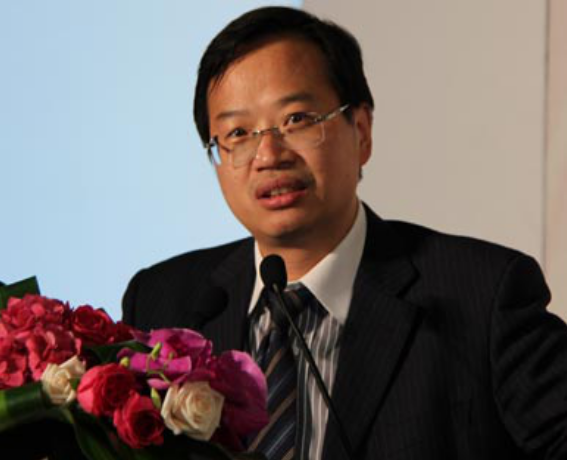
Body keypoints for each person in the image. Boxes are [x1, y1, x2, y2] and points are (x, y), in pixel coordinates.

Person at [122, 6, 567, 460]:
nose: (268, 154)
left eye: (297, 119)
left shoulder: (481, 297)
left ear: (362, 131)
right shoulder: (163, 301)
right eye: (238, 133)